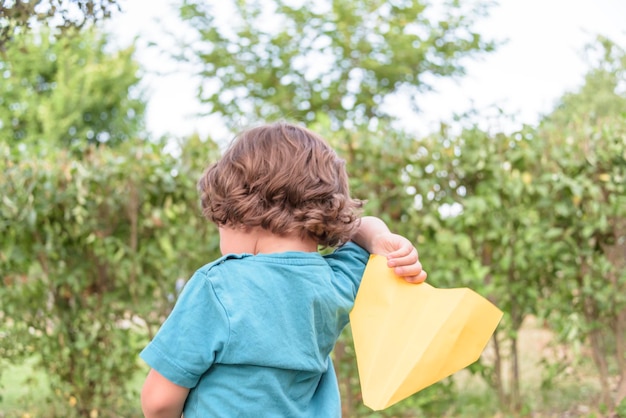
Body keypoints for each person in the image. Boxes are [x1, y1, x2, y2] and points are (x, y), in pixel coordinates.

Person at [139, 121, 427, 418]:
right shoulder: (338, 280)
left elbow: (158, 401)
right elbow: (363, 228)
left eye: (220, 222)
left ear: (241, 211)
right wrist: (381, 239)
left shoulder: (219, 286)